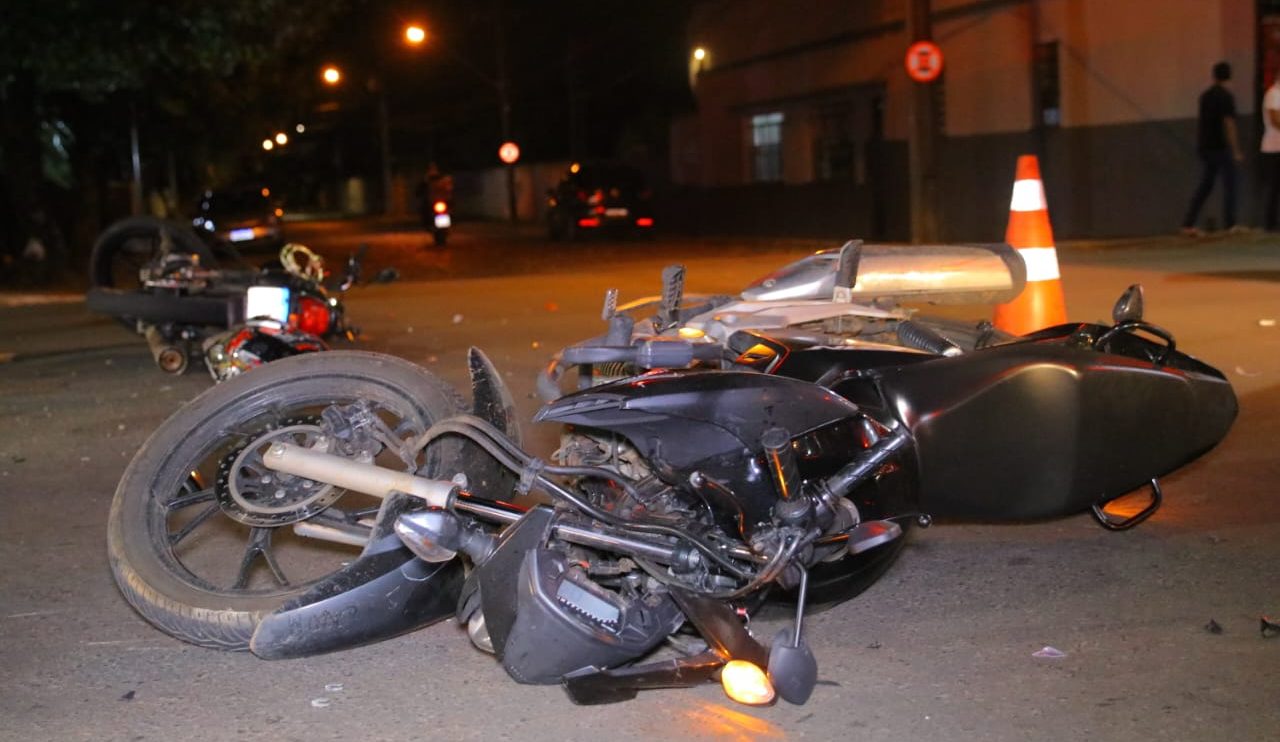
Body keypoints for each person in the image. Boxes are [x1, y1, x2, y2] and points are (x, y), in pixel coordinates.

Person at [1181, 61, 1244, 236]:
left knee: (1206, 185)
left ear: (1214, 76)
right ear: (1229, 76)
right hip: (1220, 146)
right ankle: (1231, 224)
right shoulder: (1226, 97)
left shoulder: (1205, 96)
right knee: (1231, 183)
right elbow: (1229, 124)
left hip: (1205, 146)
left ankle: (1188, 224)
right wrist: (1236, 149)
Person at [1262, 74, 1280, 231]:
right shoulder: (1273, 94)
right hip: (1273, 147)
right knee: (1274, 186)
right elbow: (1275, 120)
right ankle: (1271, 223)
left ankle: (1272, 222)